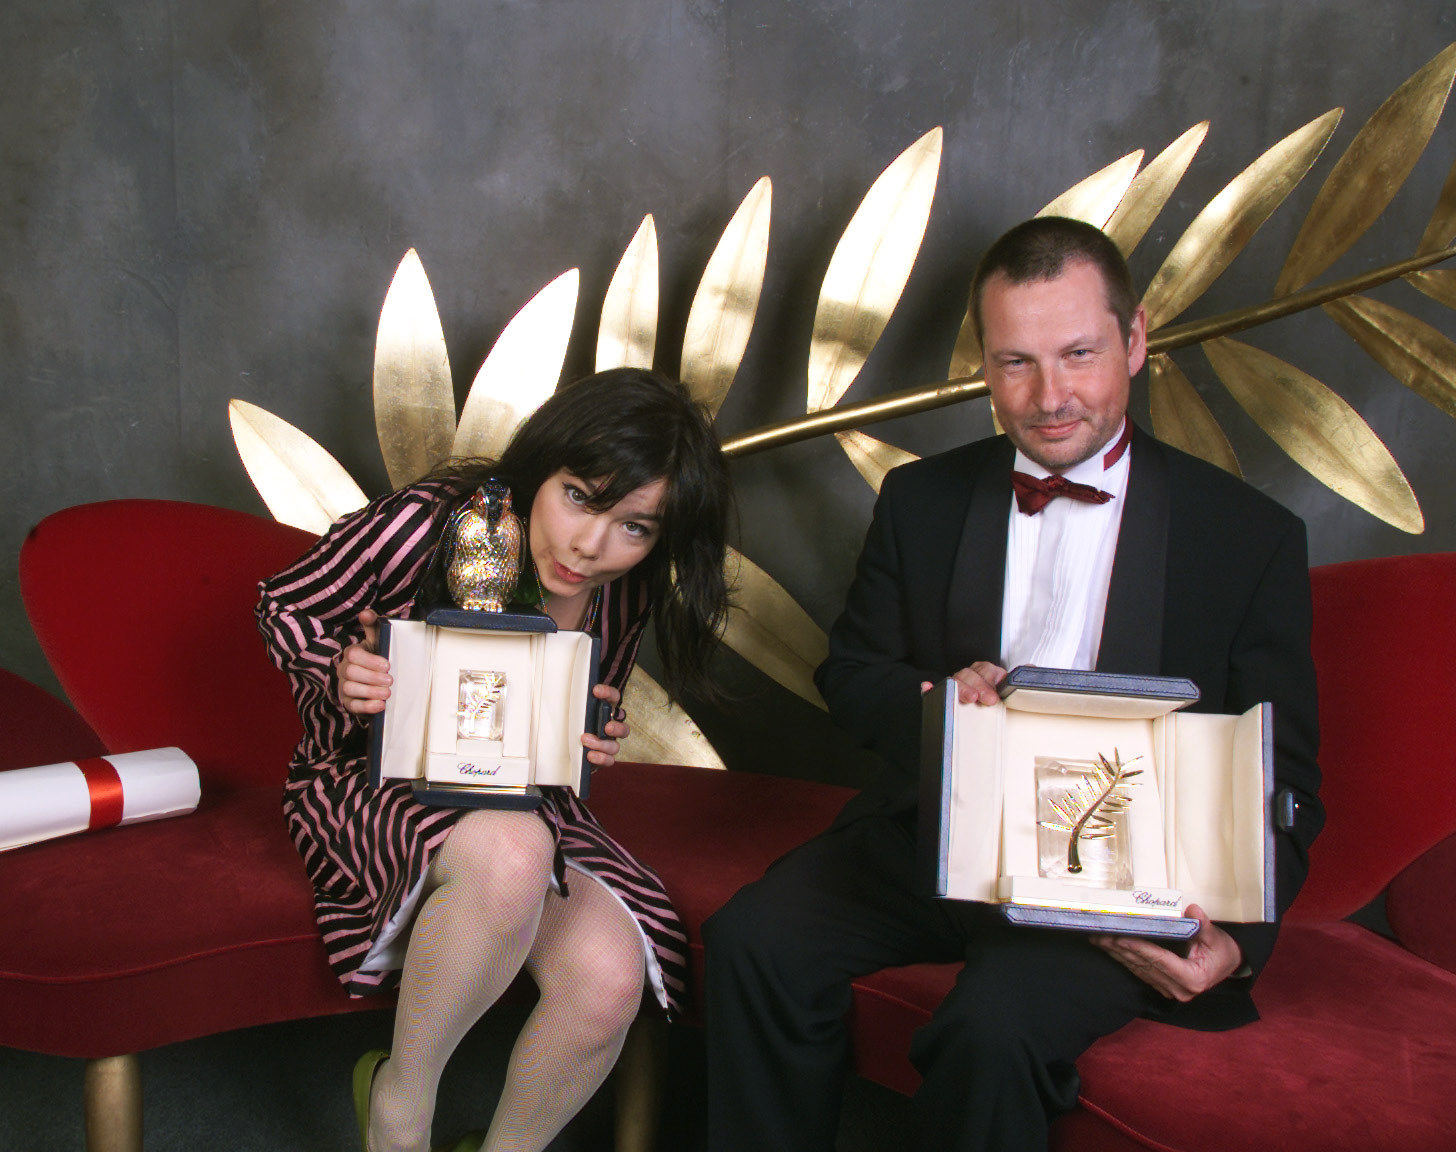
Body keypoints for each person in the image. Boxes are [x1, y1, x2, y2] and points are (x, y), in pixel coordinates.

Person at [702, 217, 1324, 1152]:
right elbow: (854, 672)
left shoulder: (1249, 536)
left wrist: (1240, 946)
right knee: (756, 942)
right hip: (936, 838)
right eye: (1016, 362)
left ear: (1137, 340)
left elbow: (1288, 780)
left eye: (1079, 353)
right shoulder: (921, 500)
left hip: (1118, 881)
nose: (1049, 396)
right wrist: (934, 707)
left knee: (991, 1031)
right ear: (986, 365)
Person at [255, 367, 732, 1152]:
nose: (591, 545)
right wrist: (342, 668)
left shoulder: (626, 587)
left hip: (528, 801)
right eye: (580, 495)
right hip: (371, 780)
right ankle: (399, 1110)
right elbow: (283, 603)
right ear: (542, 467)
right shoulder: (425, 523)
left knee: (608, 975)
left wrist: (593, 736)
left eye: (635, 526)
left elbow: (582, 704)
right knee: (513, 855)